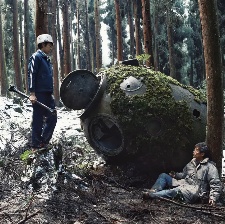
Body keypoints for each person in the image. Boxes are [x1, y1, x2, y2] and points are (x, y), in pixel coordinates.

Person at [143, 142, 223, 206]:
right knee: (163, 176)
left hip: (194, 191)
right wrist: (175, 175)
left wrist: (213, 198)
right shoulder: (191, 163)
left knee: (173, 191)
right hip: (184, 183)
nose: (194, 151)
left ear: (202, 154)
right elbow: (184, 174)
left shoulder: (210, 167)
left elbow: (215, 183)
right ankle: (154, 191)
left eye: (196, 150)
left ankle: (152, 195)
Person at [27, 34, 57, 151]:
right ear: (43, 45)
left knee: (53, 116)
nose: (50, 48)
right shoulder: (36, 57)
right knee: (38, 118)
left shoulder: (46, 59)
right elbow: (31, 74)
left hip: (47, 93)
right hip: (38, 94)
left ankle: (44, 142)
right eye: (49, 46)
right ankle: (35, 145)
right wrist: (32, 93)